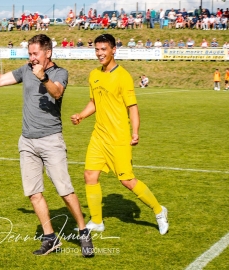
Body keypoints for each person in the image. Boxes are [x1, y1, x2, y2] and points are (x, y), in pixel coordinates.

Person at [0, 34, 94, 257]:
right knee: (34, 193)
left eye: (35, 53)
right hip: (27, 141)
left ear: (47, 53)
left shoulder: (60, 73)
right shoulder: (26, 69)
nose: (31, 58)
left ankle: (83, 230)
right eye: (29, 54)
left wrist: (43, 78)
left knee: (65, 191)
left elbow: (57, 92)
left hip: (51, 140)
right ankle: (50, 238)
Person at [70, 33, 169, 236]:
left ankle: (159, 210)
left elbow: (132, 107)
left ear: (114, 49)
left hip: (119, 137)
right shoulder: (94, 75)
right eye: (97, 49)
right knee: (89, 175)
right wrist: (81, 115)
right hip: (99, 136)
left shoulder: (123, 76)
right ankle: (97, 221)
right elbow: (94, 103)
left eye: (103, 49)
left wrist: (135, 132)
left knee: (127, 181)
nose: (99, 54)